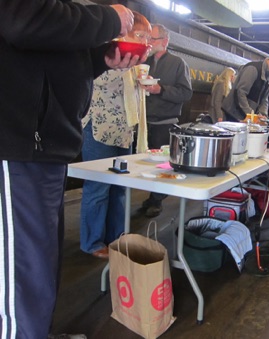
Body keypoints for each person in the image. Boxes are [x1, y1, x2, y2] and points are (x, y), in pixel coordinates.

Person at [0, 1, 146, 338]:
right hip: (18, 139)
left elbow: (45, 45)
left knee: (39, 264)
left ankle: (35, 331)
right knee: (20, 270)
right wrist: (109, 17)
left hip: (42, 142)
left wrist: (99, 60)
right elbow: (21, 20)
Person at [80, 12, 152, 259]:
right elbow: (96, 81)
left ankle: (117, 237)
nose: (144, 41)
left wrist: (144, 83)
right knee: (98, 187)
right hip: (99, 127)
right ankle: (92, 242)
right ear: (125, 33)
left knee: (120, 188)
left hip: (124, 131)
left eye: (147, 38)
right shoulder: (107, 50)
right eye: (140, 35)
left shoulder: (135, 62)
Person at [139, 24, 193, 218]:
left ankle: (156, 200)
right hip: (144, 121)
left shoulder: (178, 63)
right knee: (142, 163)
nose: (149, 43)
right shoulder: (145, 60)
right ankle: (149, 196)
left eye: (152, 39)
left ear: (164, 41)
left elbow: (186, 93)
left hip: (164, 122)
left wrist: (160, 89)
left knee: (161, 164)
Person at [221, 51, 269, 122]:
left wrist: (263, 114)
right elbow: (240, 92)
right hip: (233, 113)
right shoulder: (253, 69)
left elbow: (264, 99)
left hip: (247, 115)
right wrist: (251, 114)